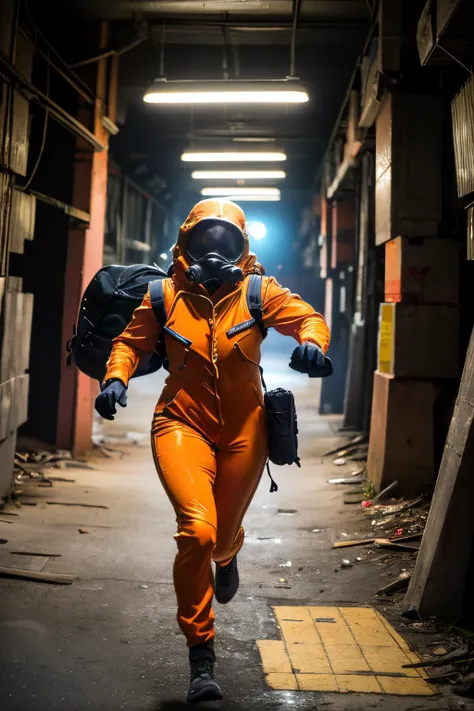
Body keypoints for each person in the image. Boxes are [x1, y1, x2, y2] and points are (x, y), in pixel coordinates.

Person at [95, 199, 331, 703]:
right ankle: (201, 653)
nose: (215, 252)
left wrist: (314, 343)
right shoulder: (163, 294)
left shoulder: (257, 292)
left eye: (226, 242)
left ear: (243, 249)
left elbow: (308, 317)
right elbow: (130, 343)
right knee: (197, 531)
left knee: (221, 540)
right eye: (205, 241)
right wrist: (116, 378)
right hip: (181, 422)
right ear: (186, 245)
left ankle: (231, 552)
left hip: (246, 430)